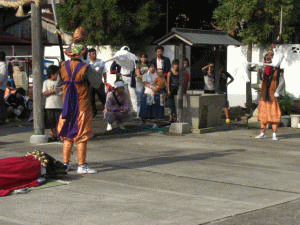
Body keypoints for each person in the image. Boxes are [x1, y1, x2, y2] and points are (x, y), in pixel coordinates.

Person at [57, 26, 103, 174]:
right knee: (82, 136)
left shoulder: (62, 66)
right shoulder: (85, 68)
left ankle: (66, 163)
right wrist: (97, 70)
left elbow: (59, 82)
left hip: (67, 105)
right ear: (82, 52)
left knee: (67, 135)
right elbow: (97, 83)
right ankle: (81, 165)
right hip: (81, 105)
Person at [255, 50, 283, 141]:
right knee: (263, 114)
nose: (268, 56)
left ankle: (274, 134)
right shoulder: (263, 67)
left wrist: (278, 91)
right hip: (264, 95)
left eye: (271, 55)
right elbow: (260, 78)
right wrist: (258, 71)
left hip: (273, 96)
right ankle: (262, 133)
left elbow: (282, 81)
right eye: (267, 55)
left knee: (274, 115)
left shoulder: (277, 69)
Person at [42, 65, 63, 142]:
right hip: (50, 105)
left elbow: (62, 93)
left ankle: (59, 134)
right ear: (51, 74)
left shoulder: (60, 83)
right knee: (51, 122)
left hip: (59, 105)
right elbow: (45, 93)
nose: (57, 75)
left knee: (59, 121)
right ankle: (53, 134)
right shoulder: (46, 82)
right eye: (55, 74)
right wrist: (53, 90)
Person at [86, 48, 107, 117]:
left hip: (99, 82)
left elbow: (104, 72)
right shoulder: (86, 63)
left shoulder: (100, 62)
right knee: (91, 98)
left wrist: (105, 82)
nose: (95, 55)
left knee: (103, 97)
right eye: (93, 54)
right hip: (90, 83)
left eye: (95, 53)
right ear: (89, 54)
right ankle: (93, 113)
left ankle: (106, 111)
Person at [118, 46, 138, 113]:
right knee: (124, 94)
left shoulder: (132, 58)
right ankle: (126, 109)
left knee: (133, 94)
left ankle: (136, 110)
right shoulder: (120, 58)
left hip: (130, 77)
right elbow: (114, 66)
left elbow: (136, 67)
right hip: (123, 77)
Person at [0, 51, 8, 124]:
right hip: (1, 87)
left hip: (0, 87)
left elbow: (1, 78)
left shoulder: (3, 66)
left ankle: (1, 119)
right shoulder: (2, 65)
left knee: (0, 103)